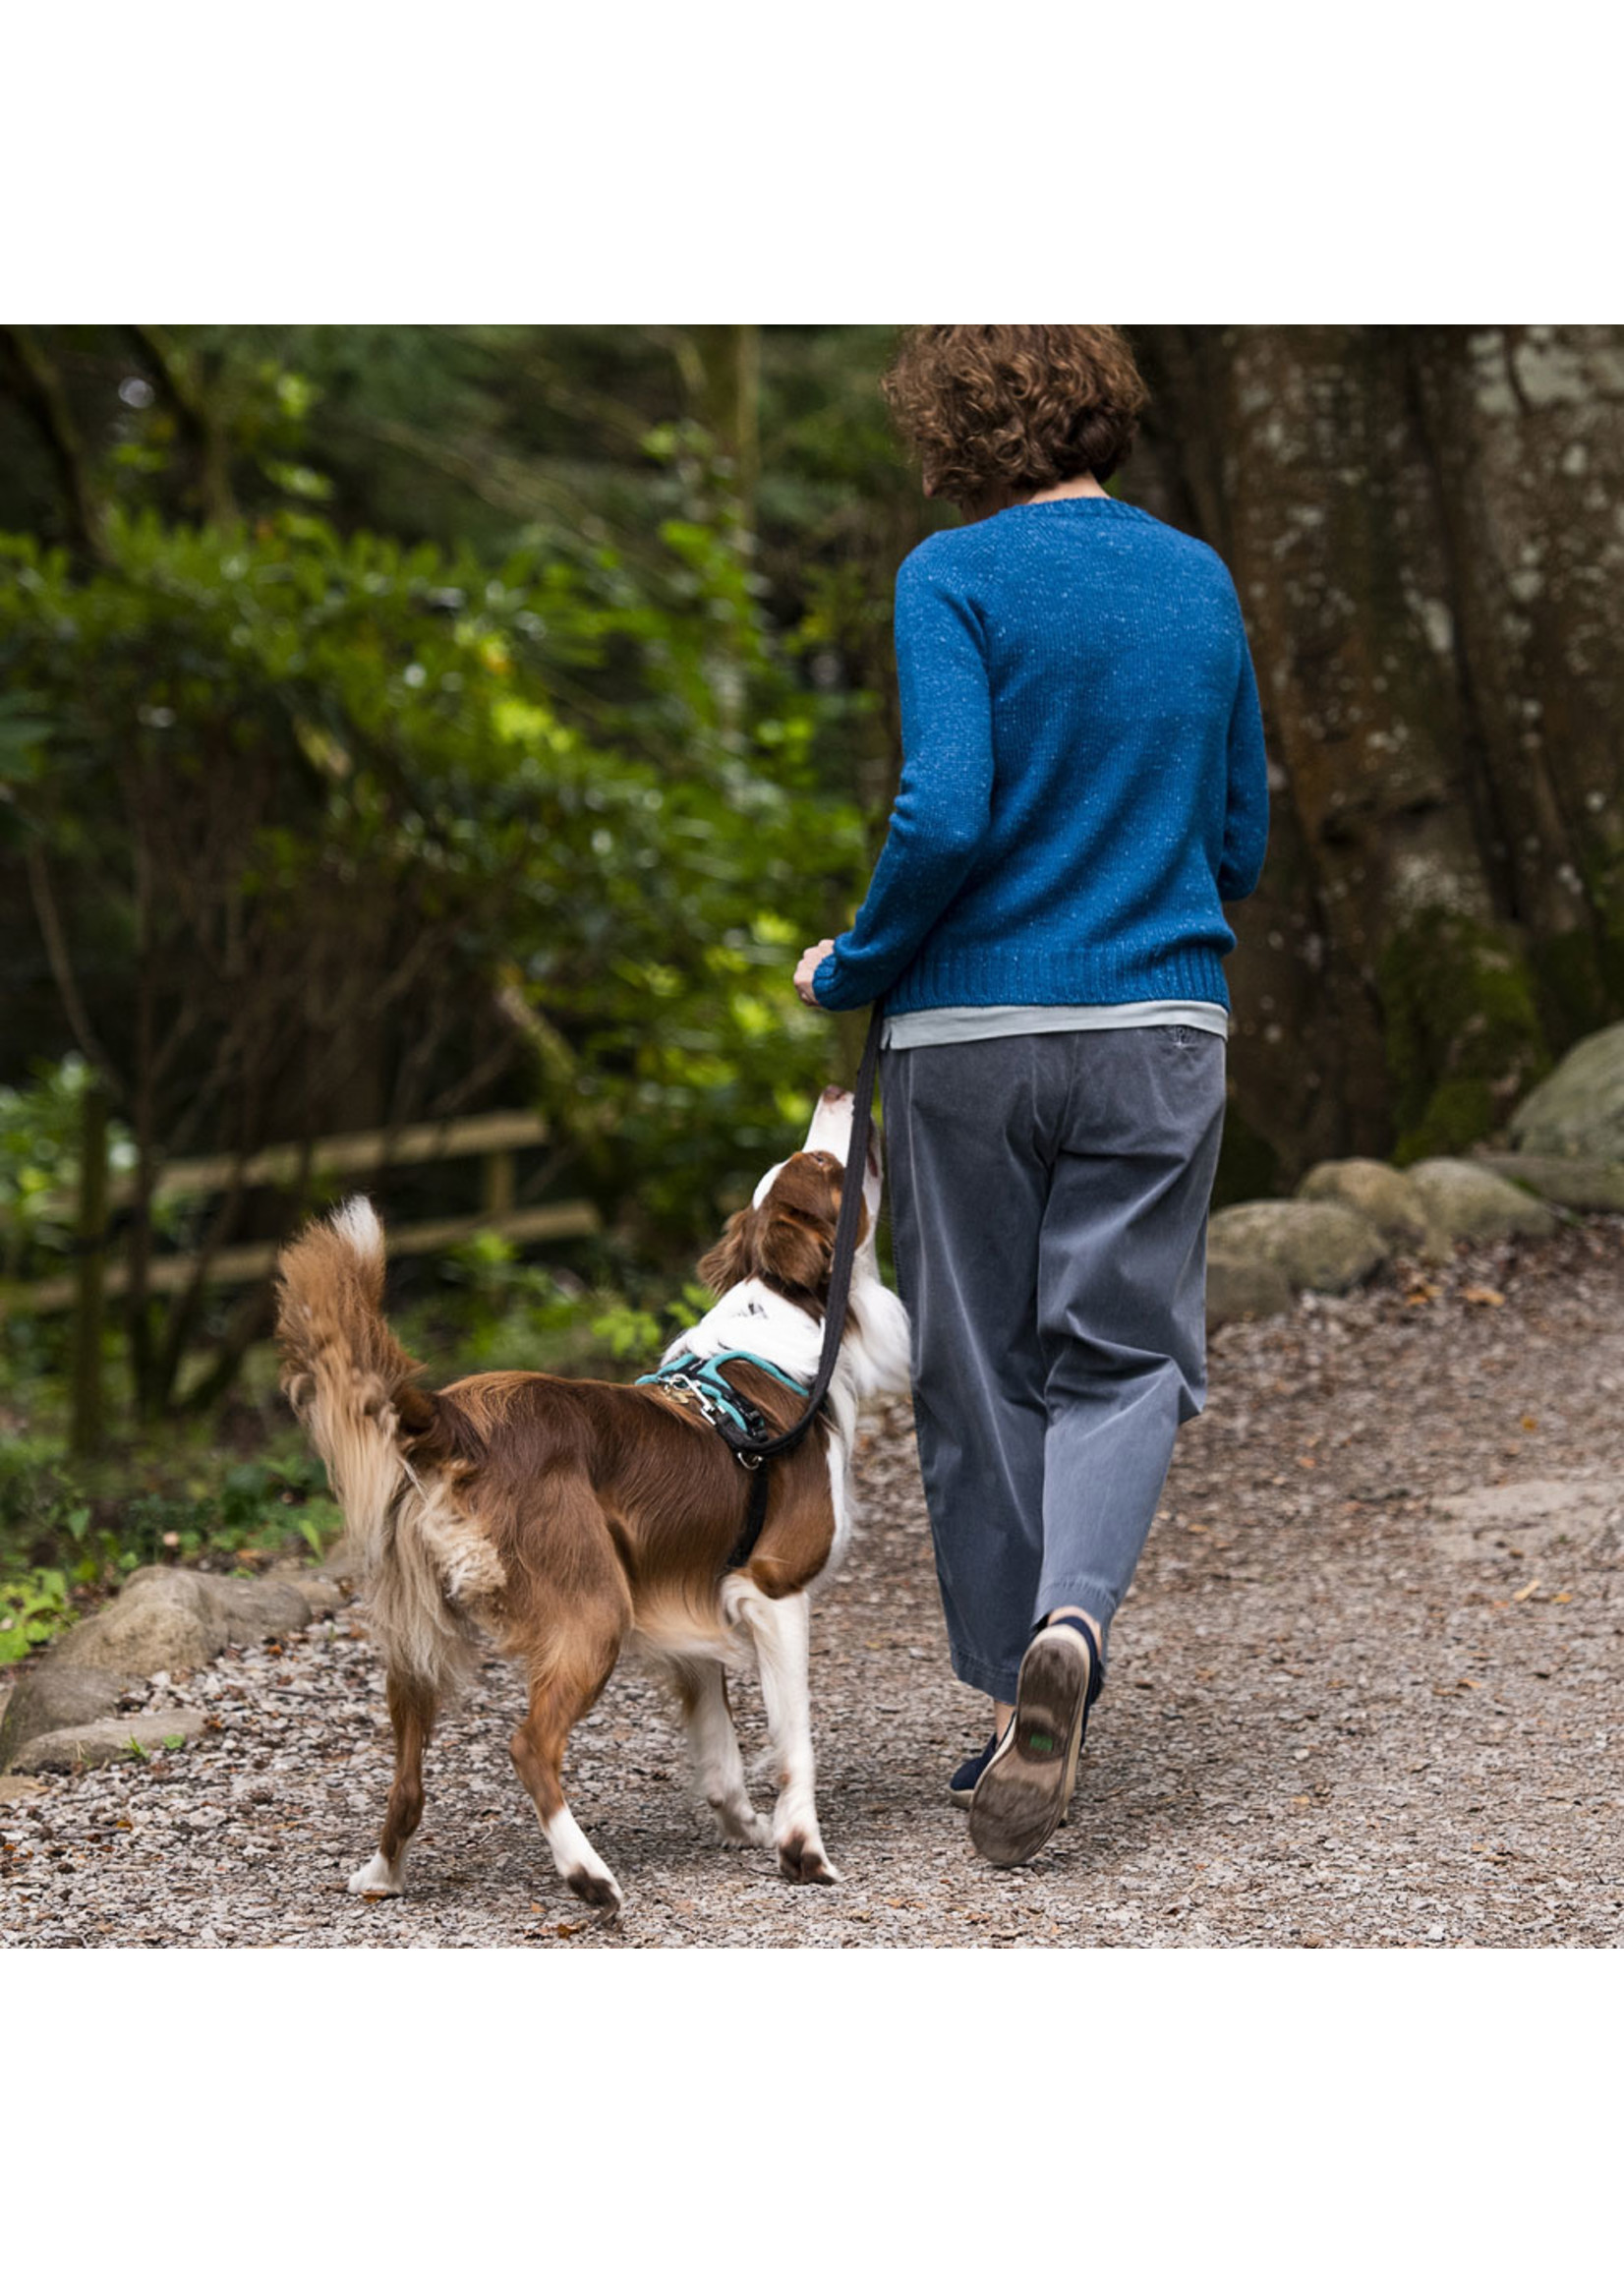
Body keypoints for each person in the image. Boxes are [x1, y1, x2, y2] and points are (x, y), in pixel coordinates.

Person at [793, 324, 1269, 1868]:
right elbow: (1242, 829)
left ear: (948, 427)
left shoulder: (951, 573)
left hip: (967, 1034)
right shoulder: (1197, 579)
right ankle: (1075, 1623)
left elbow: (943, 808)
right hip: (1159, 1017)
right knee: (1123, 1353)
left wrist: (853, 961)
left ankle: (1017, 1690)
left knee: (980, 1370)